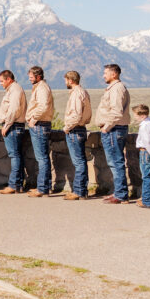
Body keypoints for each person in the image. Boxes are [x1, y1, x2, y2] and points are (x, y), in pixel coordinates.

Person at [97, 63, 131, 204]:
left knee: (116, 162)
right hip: (115, 129)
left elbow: (116, 112)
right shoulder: (116, 88)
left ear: (114, 74)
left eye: (106, 73)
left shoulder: (116, 89)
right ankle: (119, 192)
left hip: (114, 130)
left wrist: (106, 127)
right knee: (115, 162)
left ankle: (121, 194)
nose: (103, 75)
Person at [61, 71, 93, 201]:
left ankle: (79, 191)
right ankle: (81, 190)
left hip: (74, 130)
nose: (65, 83)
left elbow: (76, 115)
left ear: (70, 80)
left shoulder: (76, 94)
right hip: (81, 129)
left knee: (78, 162)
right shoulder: (83, 92)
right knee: (81, 161)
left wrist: (67, 128)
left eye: (65, 80)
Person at [24, 66, 55, 198]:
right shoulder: (40, 87)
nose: (30, 79)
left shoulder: (42, 88)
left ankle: (42, 188)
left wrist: (33, 118)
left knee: (42, 158)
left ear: (38, 76)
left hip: (39, 124)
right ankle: (44, 186)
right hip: (40, 124)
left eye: (31, 77)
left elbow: (43, 106)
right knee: (42, 157)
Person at [0, 70, 28, 195]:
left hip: (13, 126)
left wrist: (7, 125)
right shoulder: (14, 90)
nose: (0, 84)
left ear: (8, 79)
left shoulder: (15, 90)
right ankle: (18, 184)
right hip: (15, 125)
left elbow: (13, 110)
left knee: (14, 155)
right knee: (17, 155)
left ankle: (14, 184)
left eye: (1, 81)